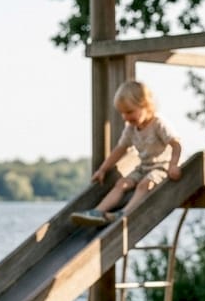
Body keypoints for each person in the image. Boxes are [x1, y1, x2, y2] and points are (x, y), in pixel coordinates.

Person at [72, 80, 182, 225]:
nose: (125, 117)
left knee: (145, 184)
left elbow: (176, 144)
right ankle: (98, 212)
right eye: (122, 113)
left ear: (146, 105)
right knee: (121, 184)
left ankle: (124, 213)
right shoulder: (131, 128)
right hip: (143, 167)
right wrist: (102, 169)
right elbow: (119, 150)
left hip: (162, 167)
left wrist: (174, 165)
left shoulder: (158, 124)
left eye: (129, 112)